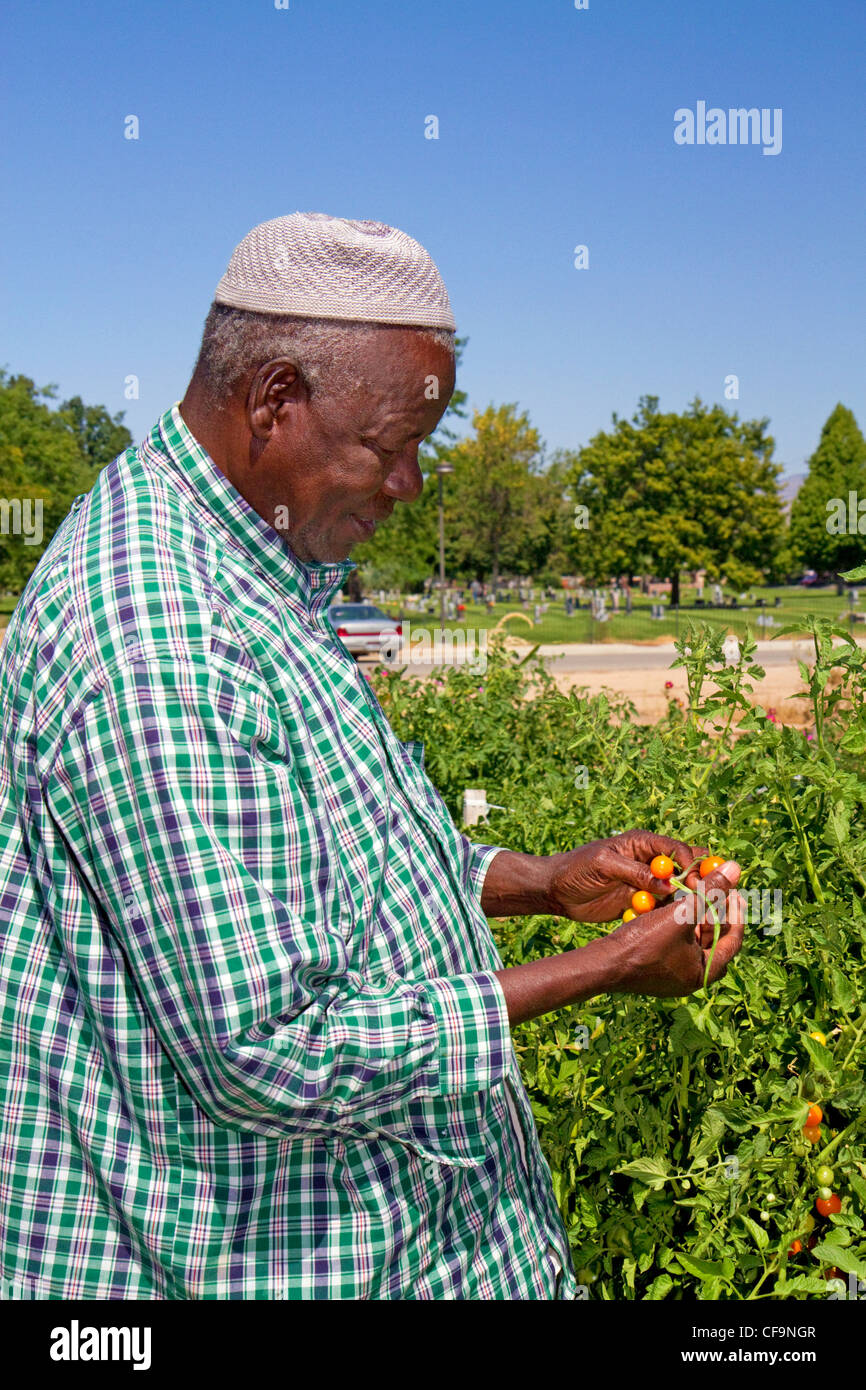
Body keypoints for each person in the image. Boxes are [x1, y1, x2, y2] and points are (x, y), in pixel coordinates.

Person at [0, 212, 744, 1302]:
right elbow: (263, 1049)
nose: (407, 487)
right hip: (256, 1260)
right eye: (387, 446)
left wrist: (540, 885)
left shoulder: (264, 563)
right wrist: (608, 969)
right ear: (274, 400)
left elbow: (347, 860)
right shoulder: (152, 630)